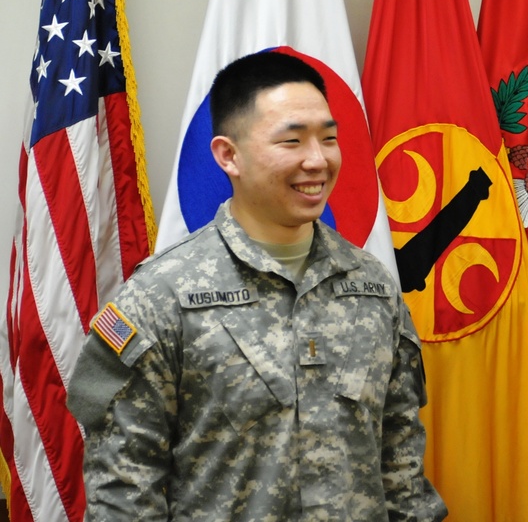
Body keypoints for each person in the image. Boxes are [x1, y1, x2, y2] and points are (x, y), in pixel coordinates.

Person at [67, 50, 447, 521]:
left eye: (328, 139)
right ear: (229, 155)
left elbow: (401, 467)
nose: (318, 159)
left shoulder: (372, 287)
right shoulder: (161, 297)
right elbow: (125, 492)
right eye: (292, 142)